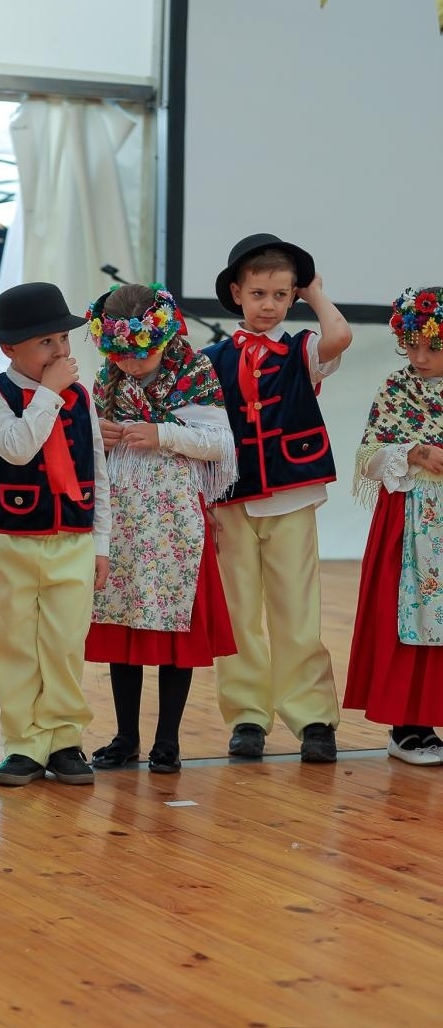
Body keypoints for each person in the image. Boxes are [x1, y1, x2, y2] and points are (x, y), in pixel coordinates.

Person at [204, 234, 352, 763]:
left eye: (281, 295)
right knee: (240, 612)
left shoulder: (303, 349)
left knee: (297, 609)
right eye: (260, 293)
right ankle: (247, 715)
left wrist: (315, 293)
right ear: (238, 294)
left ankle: (312, 716)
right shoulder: (210, 359)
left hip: (291, 495)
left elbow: (340, 336)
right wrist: (206, 506)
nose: (270, 305)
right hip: (231, 501)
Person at [85, 283, 237, 773]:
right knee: (123, 623)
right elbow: (85, 439)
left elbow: (220, 444)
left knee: (175, 628)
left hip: (174, 517)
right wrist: (99, 435)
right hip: (123, 515)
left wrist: (163, 434)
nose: (130, 364)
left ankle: (167, 739)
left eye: (141, 354)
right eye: (120, 356)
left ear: (165, 337)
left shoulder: (194, 370)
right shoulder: (108, 379)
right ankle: (126, 734)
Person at [0, 281, 111, 787]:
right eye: (45, 343)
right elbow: (17, 448)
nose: (60, 352)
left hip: (72, 539)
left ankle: (65, 738)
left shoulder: (80, 397)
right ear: (10, 349)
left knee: (64, 643)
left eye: (63, 340)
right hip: (10, 539)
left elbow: (97, 467)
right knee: (12, 642)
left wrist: (102, 542)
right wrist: (48, 394)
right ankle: (24, 743)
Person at [344, 287, 443, 765]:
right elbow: (369, 455)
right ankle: (409, 726)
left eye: (433, 347)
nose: (419, 358)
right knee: (410, 616)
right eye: (412, 346)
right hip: (412, 518)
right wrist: (417, 453)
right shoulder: (396, 388)